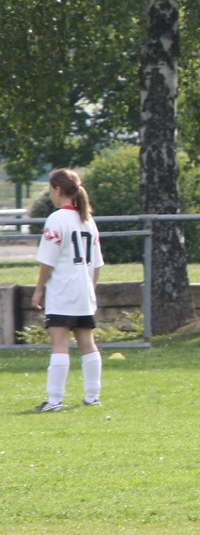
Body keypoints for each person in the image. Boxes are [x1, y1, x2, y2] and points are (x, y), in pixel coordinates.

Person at [31, 168, 105, 411]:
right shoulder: (88, 220)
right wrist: (90, 289)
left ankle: (54, 400)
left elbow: (48, 261)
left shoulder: (57, 219)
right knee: (87, 343)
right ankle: (92, 397)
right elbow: (97, 264)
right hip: (84, 291)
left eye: (50, 189)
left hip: (63, 290)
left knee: (59, 342)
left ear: (58, 189)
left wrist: (39, 289)